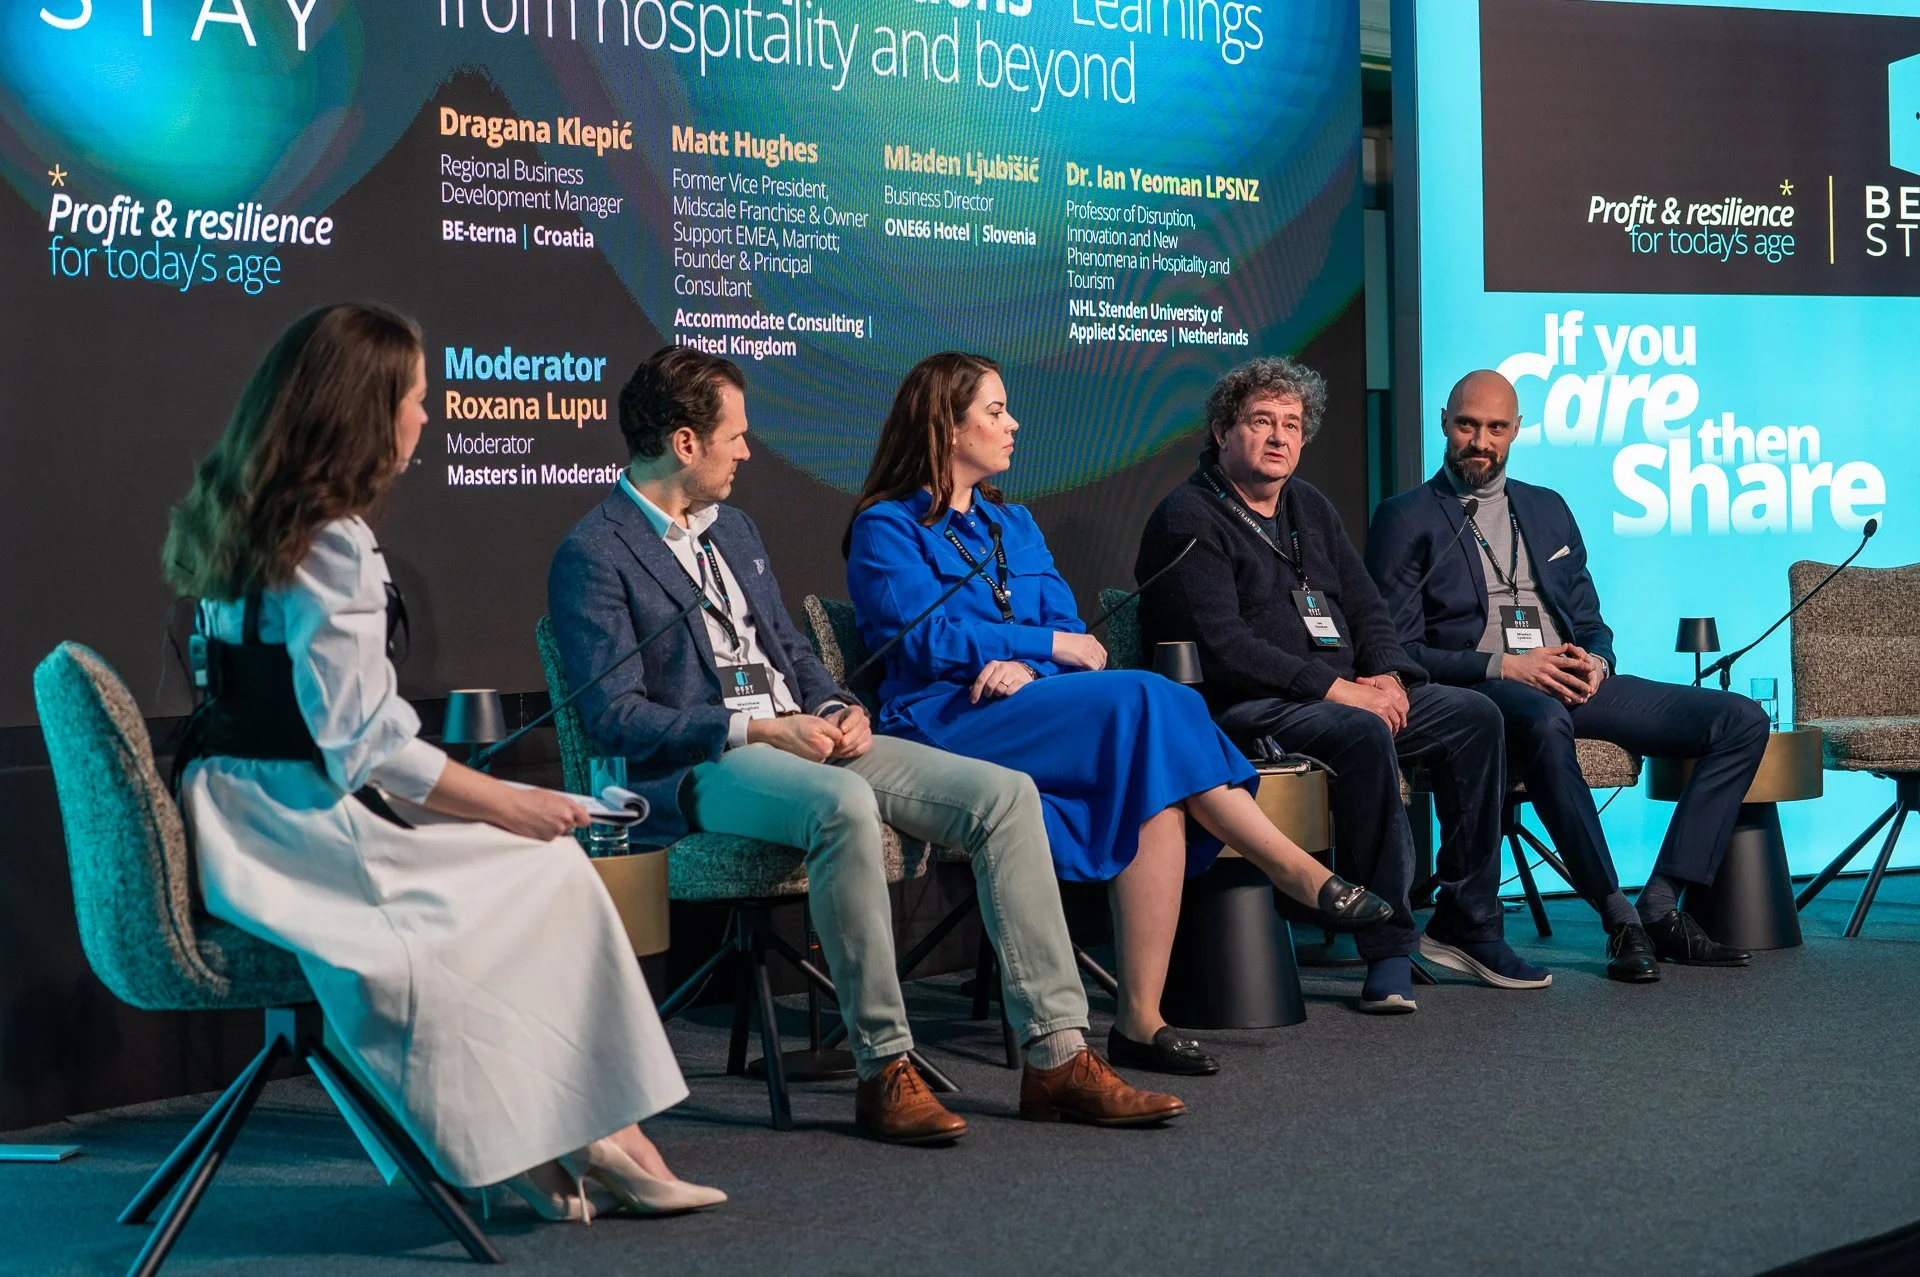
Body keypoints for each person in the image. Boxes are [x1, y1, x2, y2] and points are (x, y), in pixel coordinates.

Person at [164, 303, 719, 1224]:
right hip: (300, 824)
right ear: (366, 411)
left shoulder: (242, 521)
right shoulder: (332, 544)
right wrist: (509, 803)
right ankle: (587, 1134)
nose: (428, 416)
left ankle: (569, 1134)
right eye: (419, 399)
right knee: (545, 868)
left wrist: (501, 807)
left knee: (532, 868)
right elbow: (364, 743)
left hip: (248, 804)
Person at [549, 346, 1186, 1142]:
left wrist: (837, 703)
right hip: (705, 762)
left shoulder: (733, 530)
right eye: (736, 436)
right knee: (845, 806)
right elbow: (614, 716)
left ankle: (1056, 1055)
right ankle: (884, 1065)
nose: (747, 450)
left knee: (1003, 795)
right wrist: (757, 725)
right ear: (685, 442)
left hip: (807, 735)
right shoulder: (596, 551)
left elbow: (789, 649)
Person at [844, 352, 1394, 1075]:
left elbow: (1074, 635)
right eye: (996, 411)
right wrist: (1037, 646)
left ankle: (1139, 1019)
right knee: (1150, 694)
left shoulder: (1015, 525)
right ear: (946, 427)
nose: (1014, 424)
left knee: (1155, 792)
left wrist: (1028, 662)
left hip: (1033, 707)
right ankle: (1291, 867)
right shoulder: (886, 527)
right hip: (947, 722)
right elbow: (922, 637)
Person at [1135, 355, 1545, 1014]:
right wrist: (1344, 692)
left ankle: (1470, 922)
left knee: (1475, 715)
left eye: (1291, 425)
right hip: (1246, 712)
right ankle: (1386, 948)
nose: (1278, 438)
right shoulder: (1188, 517)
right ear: (1221, 431)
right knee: (1358, 730)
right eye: (1261, 421)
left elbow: (1367, 609)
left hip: (1342, 693)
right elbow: (1225, 648)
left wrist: (1387, 673)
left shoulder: (1309, 506)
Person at [1365, 369, 1769, 976]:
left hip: (1572, 680)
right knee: (1547, 721)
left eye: (1496, 427)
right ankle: (1620, 920)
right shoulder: (1406, 517)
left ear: (1517, 430)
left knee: (1740, 719)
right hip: (1485, 689)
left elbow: (1591, 620)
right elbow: (1396, 650)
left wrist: (1597, 662)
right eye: (1467, 425)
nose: (1481, 440)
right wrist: (1507, 665)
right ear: (1444, 422)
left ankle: (1660, 903)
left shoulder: (1548, 508)